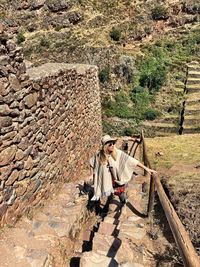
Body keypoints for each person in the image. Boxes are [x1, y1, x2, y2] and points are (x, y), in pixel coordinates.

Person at [89, 134, 157, 206]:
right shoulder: (99, 155)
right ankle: (99, 207)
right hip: (106, 179)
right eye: (110, 144)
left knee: (119, 192)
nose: (113, 145)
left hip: (116, 179)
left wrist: (146, 168)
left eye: (113, 144)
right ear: (105, 146)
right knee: (107, 191)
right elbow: (91, 162)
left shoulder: (117, 153)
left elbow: (132, 160)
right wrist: (91, 174)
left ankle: (123, 203)